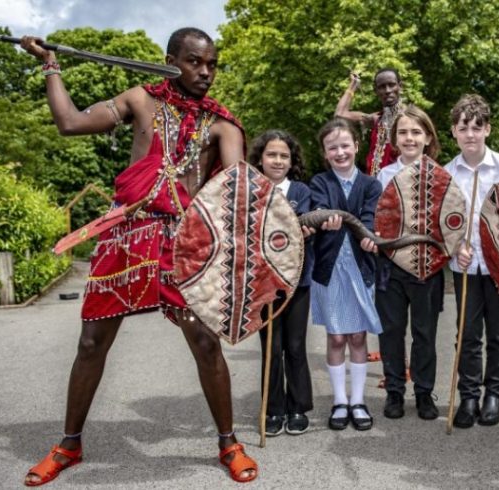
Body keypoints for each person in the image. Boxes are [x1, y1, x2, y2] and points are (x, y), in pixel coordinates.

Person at [19, 28, 257, 485]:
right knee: (92, 343)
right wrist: (50, 65)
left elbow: (237, 191)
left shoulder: (222, 124)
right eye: (194, 62)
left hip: (184, 242)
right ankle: (69, 443)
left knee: (205, 343)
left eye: (212, 65)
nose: (205, 72)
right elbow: (69, 123)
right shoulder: (140, 100)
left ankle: (229, 442)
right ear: (171, 60)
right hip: (128, 236)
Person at [443, 94, 499, 428]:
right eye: (464, 128)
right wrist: (454, 246)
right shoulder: (447, 172)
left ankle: (495, 395)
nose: (471, 134)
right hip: (465, 267)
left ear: (488, 129)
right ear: (454, 132)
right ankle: (470, 395)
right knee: (468, 333)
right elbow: (443, 221)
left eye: (477, 127)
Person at [308, 118, 383, 431]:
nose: (340, 152)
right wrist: (325, 220)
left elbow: (368, 219)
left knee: (357, 336)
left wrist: (369, 236)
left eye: (344, 145)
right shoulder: (319, 182)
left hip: (360, 269)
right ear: (325, 153)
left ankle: (358, 400)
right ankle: (340, 401)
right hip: (329, 270)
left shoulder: (371, 185)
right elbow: (320, 212)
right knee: (336, 336)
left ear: (356, 146)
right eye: (332, 147)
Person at [375, 105, 444, 421]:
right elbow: (378, 220)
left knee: (424, 332)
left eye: (416, 132)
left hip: (428, 268)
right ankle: (394, 392)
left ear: (427, 137)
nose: (409, 138)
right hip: (391, 268)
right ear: (394, 139)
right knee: (391, 331)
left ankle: (424, 392)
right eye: (403, 132)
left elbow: (450, 223)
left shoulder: (440, 176)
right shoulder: (383, 176)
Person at [248, 130, 314, 436]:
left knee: (296, 345)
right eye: (272, 155)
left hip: (296, 282)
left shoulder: (302, 191)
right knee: (271, 347)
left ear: (292, 160)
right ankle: (272, 409)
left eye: (284, 156)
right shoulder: (251, 191)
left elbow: (309, 225)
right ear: (260, 159)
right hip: (264, 283)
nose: (278, 160)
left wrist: (310, 229)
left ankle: (297, 407)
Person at [334, 68, 404, 176]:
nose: (387, 90)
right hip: (374, 187)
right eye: (382, 87)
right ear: (376, 91)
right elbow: (339, 114)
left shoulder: (410, 119)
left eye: (391, 85)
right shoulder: (376, 119)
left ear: (400, 86)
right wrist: (353, 85)